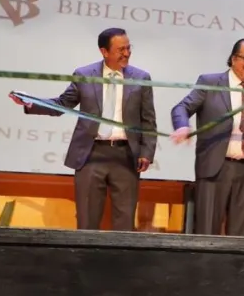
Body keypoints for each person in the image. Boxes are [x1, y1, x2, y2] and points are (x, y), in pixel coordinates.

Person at [8, 27, 156, 231]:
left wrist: (147, 152)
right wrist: (31, 102)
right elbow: (62, 105)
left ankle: (121, 253)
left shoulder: (141, 77)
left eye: (128, 48)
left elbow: (148, 119)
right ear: (104, 51)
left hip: (126, 156)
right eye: (121, 49)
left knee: (124, 222)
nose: (127, 53)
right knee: (87, 220)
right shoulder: (84, 75)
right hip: (90, 155)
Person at [170, 38, 244, 237]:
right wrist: (182, 126)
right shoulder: (210, 83)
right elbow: (181, 108)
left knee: (241, 237)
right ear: (234, 59)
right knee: (207, 232)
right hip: (215, 169)